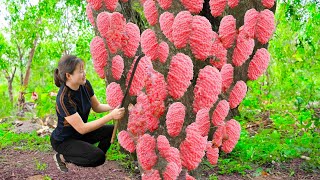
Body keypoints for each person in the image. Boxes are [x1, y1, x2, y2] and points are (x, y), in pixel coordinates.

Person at [51, 55, 125, 172]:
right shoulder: (64, 99)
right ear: (68, 76)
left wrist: (116, 106)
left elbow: (97, 107)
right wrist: (111, 116)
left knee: (110, 131)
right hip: (64, 140)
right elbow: (82, 128)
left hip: (80, 136)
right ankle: (63, 156)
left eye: (83, 69)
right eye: (80, 71)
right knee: (97, 157)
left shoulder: (84, 84)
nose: (84, 73)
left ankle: (94, 156)